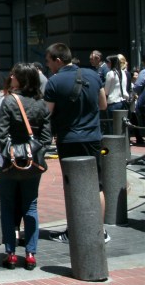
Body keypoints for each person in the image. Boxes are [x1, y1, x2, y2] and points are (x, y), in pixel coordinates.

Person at [43, 41, 109, 243]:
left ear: (58, 60)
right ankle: (100, 231)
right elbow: (103, 105)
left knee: (72, 185)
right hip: (93, 138)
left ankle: (74, 231)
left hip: (69, 139)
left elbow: (47, 113)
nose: (48, 66)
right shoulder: (93, 75)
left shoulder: (54, 82)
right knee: (96, 185)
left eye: (49, 61)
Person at [0, 64, 52, 270]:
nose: (11, 76)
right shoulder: (41, 104)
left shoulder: (9, 101)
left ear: (22, 79)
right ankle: (30, 253)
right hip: (32, 164)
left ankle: (10, 253)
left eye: (15, 75)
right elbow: (46, 139)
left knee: (7, 207)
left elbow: (1, 135)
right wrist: (33, 152)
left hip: (9, 164)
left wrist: (13, 152)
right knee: (31, 206)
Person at [103, 53, 129, 132]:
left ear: (111, 63)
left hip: (112, 102)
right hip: (122, 101)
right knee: (122, 126)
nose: (106, 64)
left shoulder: (110, 73)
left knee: (112, 126)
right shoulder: (123, 73)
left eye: (107, 62)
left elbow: (106, 91)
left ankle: (113, 143)